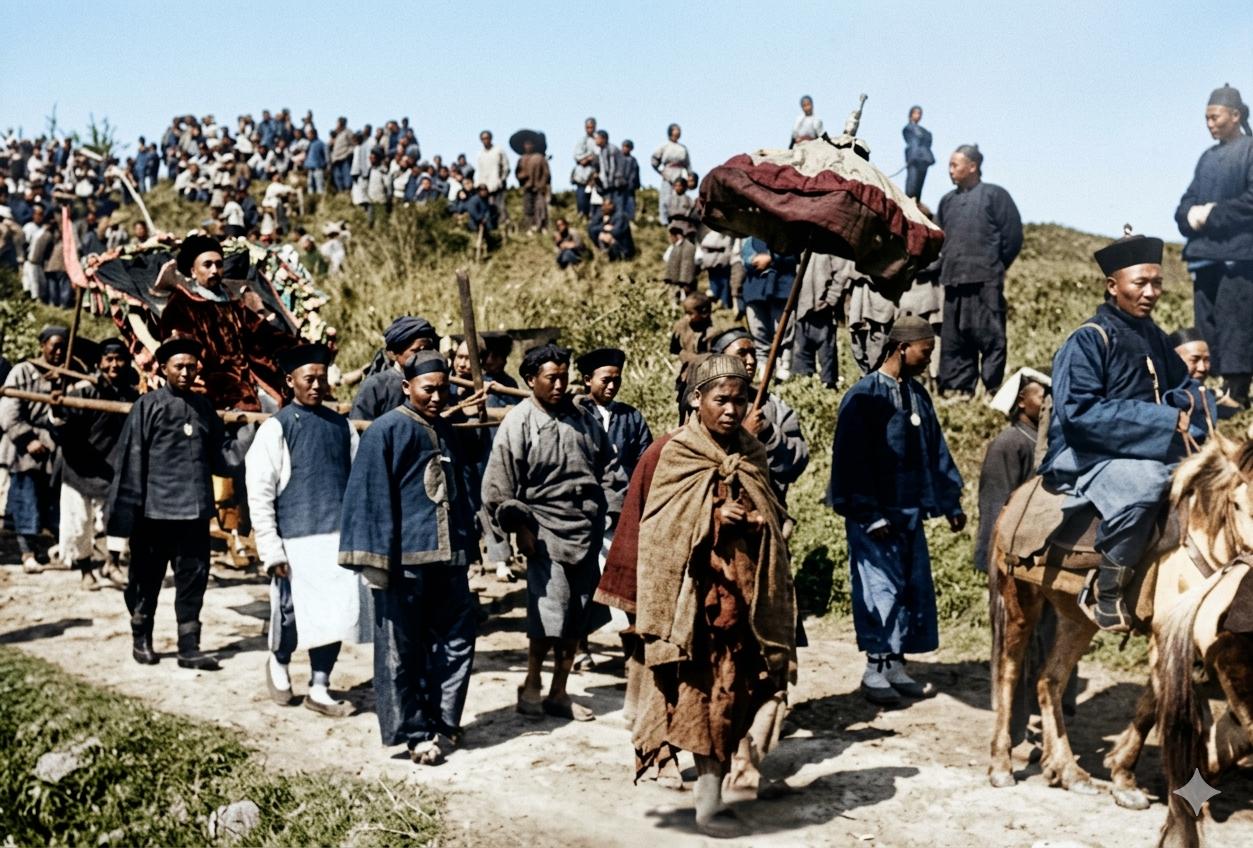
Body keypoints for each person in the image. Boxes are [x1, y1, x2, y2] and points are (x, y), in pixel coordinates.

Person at [629, 353, 796, 839]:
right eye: (721, 400)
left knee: (737, 697)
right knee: (700, 699)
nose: (731, 410)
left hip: (745, 606)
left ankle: (717, 793)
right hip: (696, 610)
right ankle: (707, 804)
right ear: (696, 399)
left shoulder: (752, 452)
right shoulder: (677, 453)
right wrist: (713, 518)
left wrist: (759, 523)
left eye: (739, 401)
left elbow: (772, 515)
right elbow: (659, 531)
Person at [1039, 233, 1212, 632]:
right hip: (1088, 451)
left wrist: (1184, 408)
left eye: (1157, 283)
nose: (1151, 293)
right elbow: (1079, 412)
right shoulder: (1089, 339)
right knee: (1148, 483)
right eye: (1141, 283)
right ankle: (1106, 589)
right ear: (1112, 285)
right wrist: (1162, 419)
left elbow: (1184, 387)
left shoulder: (1155, 336)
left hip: (1147, 446)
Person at [339, 350, 485, 765]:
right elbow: (368, 497)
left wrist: (468, 547)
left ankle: (443, 720)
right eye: (428, 390)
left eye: (444, 390)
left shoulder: (447, 430)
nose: (437, 398)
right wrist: (375, 563)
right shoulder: (385, 432)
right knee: (401, 651)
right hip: (403, 563)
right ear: (407, 387)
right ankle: (415, 733)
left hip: (450, 560)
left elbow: (461, 492)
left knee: (457, 641)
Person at [481, 344, 626, 722]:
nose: (560, 385)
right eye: (551, 378)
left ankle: (559, 692)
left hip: (585, 530)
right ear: (531, 380)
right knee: (549, 614)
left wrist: (610, 512)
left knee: (577, 616)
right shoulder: (519, 422)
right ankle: (532, 684)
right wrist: (519, 528)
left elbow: (610, 469)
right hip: (543, 532)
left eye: (564, 377)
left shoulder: (584, 419)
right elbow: (497, 487)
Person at [826, 316, 965, 705]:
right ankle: (874, 668)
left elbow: (936, 451)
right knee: (879, 590)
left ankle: (894, 665)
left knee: (908, 589)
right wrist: (870, 514)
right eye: (925, 351)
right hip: (874, 518)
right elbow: (850, 462)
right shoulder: (863, 396)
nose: (929, 360)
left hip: (909, 514)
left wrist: (950, 503)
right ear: (902, 348)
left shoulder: (918, 394)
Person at [108, 338, 254, 670]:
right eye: (179, 367)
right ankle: (141, 638)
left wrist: (247, 434)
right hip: (154, 514)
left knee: (193, 580)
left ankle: (189, 648)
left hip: (194, 514)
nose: (187, 373)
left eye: (191, 367)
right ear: (164, 369)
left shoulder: (204, 407)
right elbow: (131, 461)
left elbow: (223, 458)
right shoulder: (147, 406)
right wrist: (126, 516)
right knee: (146, 579)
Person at [247, 343, 360, 718]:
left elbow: (357, 484)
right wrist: (272, 551)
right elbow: (260, 494)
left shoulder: (342, 427)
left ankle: (320, 687)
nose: (315, 386)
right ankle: (279, 662)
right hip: (295, 540)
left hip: (336, 539)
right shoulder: (276, 429)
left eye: (321, 379)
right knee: (290, 612)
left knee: (335, 614)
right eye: (308, 379)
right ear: (289, 381)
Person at [976, 367, 1077, 740]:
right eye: (1041, 396)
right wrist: (997, 560)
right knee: (1016, 641)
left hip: (1045, 559)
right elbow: (995, 507)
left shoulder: (1047, 442)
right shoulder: (1009, 444)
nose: (1048, 404)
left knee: (1052, 637)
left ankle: (1048, 715)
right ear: (1022, 401)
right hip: (1015, 559)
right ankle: (1013, 725)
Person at [1175, 83, 1253, 407]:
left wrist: (1212, 214)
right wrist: (1189, 215)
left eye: (1215, 117)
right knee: (1207, 322)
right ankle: (1216, 386)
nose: (1209, 124)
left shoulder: (1250, 150)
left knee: (1236, 320)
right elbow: (1187, 200)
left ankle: (1237, 390)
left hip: (1239, 255)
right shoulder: (1207, 158)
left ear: (1235, 116)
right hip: (1204, 256)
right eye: (1206, 118)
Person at [160, 234, 290, 412]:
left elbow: (262, 331)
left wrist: (298, 346)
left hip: (249, 375)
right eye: (207, 265)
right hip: (214, 381)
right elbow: (181, 350)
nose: (214, 270)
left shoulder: (232, 301)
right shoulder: (181, 305)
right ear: (193, 271)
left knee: (279, 400)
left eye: (219, 264)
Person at [934, 144, 1023, 397]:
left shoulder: (995, 195)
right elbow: (939, 239)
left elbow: (1013, 237)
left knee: (991, 336)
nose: (950, 170)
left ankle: (991, 389)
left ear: (972, 166)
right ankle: (959, 389)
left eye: (955, 165)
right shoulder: (947, 201)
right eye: (949, 165)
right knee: (955, 337)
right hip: (953, 280)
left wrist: (995, 265)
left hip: (985, 280)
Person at [56, 338, 139, 589]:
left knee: (119, 518)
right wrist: (57, 410)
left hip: (113, 467)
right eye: (108, 359)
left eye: (119, 359)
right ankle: (85, 570)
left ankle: (111, 563)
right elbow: (61, 425)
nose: (114, 365)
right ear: (100, 362)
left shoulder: (131, 395)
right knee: (79, 523)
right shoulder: (83, 390)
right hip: (79, 467)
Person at [709, 327, 809, 503]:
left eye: (753, 354)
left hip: (766, 505)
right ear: (720, 358)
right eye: (742, 353)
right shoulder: (705, 405)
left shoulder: (773, 406)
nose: (751, 361)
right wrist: (745, 435)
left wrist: (769, 433)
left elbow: (797, 461)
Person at [0, 326, 66, 572]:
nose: (58, 352)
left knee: (50, 499)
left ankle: (49, 546)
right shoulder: (22, 371)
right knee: (25, 497)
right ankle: (27, 553)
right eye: (54, 346)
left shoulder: (66, 374)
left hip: (53, 446)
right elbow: (8, 412)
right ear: (42, 345)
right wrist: (27, 440)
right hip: (23, 447)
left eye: (63, 348)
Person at [576, 347, 653, 481]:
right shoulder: (576, 413)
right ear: (588, 380)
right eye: (605, 380)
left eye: (616, 380)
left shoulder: (631, 416)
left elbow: (646, 460)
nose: (612, 386)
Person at [350, 316, 439, 420]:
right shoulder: (376, 385)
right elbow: (358, 423)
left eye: (427, 350)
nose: (423, 356)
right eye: (415, 351)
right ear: (393, 354)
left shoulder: (438, 382)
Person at [740, 237, 798, 379]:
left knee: (783, 329)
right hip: (755, 288)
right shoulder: (750, 238)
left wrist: (771, 258)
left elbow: (794, 256)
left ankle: (784, 364)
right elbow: (745, 257)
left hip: (781, 286)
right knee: (758, 329)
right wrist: (753, 260)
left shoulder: (786, 234)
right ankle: (764, 365)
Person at [792, 252, 840, 388]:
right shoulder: (800, 247)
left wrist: (831, 298)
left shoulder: (832, 248)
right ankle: (805, 385)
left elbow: (842, 274)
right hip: (802, 307)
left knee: (826, 351)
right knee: (801, 349)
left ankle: (828, 385)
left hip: (823, 308)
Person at [670, 293, 716, 419]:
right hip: (686, 377)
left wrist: (693, 358)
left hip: (707, 377)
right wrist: (685, 355)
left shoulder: (713, 333)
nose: (687, 317)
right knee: (684, 406)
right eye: (685, 313)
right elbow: (674, 349)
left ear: (704, 312)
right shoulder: (681, 326)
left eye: (690, 313)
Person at [651, 124, 691, 226]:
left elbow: (688, 164)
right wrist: (661, 172)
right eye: (676, 130)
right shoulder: (664, 146)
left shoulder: (683, 148)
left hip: (680, 173)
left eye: (679, 130)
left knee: (680, 195)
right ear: (671, 132)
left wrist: (689, 175)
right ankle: (664, 220)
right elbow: (654, 160)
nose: (678, 132)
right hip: (668, 173)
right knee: (666, 196)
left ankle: (681, 219)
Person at [476, 131, 510, 226]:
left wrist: (502, 179)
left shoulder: (498, 151)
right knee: (489, 206)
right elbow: (480, 170)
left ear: (490, 138)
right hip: (485, 186)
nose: (485, 140)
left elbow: (506, 167)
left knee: (500, 205)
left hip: (498, 184)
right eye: (483, 139)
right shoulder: (480, 154)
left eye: (487, 138)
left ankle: (505, 224)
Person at [516, 138, 550, 233]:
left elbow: (546, 173)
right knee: (528, 208)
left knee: (540, 207)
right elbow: (517, 173)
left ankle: (542, 227)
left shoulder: (540, 158)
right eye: (526, 144)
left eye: (530, 144)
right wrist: (522, 176)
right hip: (527, 187)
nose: (528, 146)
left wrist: (542, 184)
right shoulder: (521, 159)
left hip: (539, 187)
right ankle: (530, 228)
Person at [902, 106, 935, 202]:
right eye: (916, 113)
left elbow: (929, 139)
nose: (918, 115)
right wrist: (912, 156)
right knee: (912, 182)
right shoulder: (908, 128)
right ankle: (909, 199)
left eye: (920, 113)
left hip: (924, 158)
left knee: (920, 184)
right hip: (914, 158)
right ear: (911, 114)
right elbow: (914, 141)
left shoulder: (924, 130)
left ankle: (917, 200)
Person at [571, 118, 599, 220]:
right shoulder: (582, 140)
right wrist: (586, 158)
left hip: (593, 176)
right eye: (587, 127)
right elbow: (577, 156)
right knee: (581, 199)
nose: (589, 130)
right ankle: (581, 216)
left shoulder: (597, 140)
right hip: (581, 176)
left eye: (591, 127)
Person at [619, 139, 641, 221]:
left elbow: (636, 175)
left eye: (627, 147)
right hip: (619, 189)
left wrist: (635, 185)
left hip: (630, 190)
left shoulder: (633, 161)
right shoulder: (617, 159)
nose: (625, 148)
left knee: (629, 211)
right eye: (624, 146)